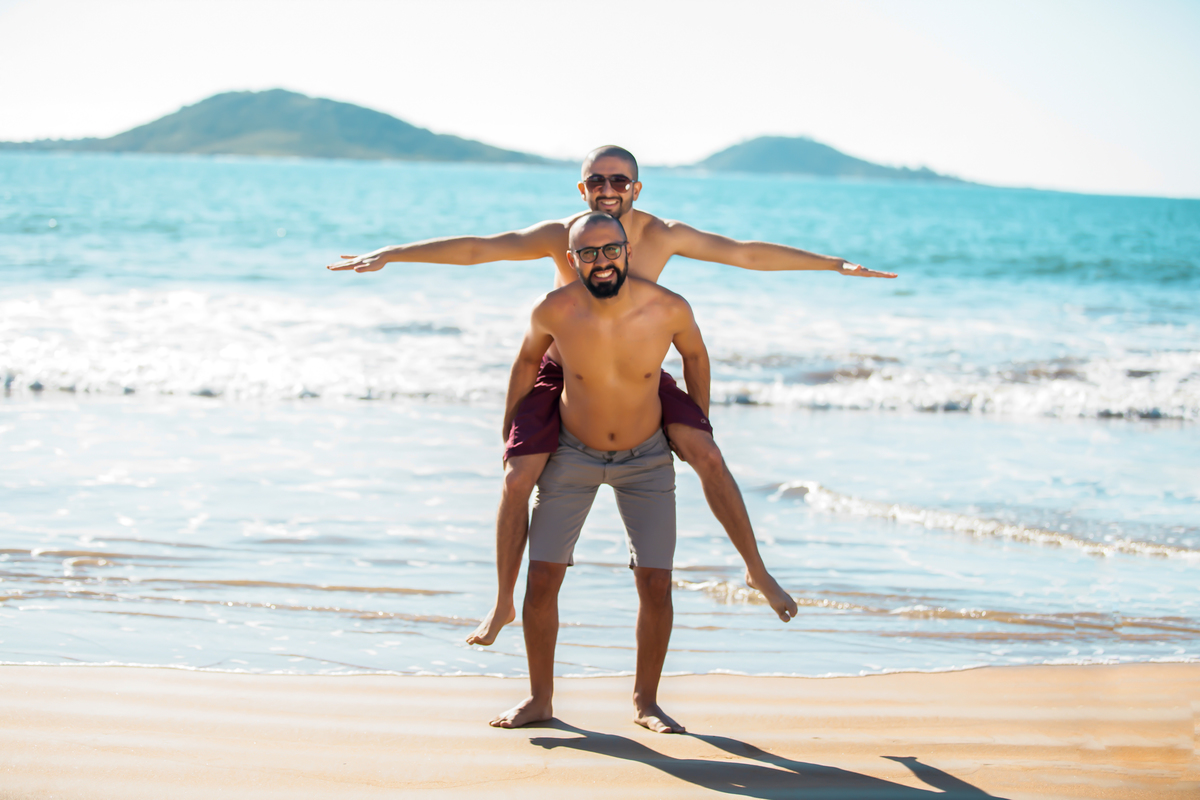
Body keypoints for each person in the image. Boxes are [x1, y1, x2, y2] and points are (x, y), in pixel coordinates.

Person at [328, 145, 897, 646]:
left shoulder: (662, 234)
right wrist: (394, 251)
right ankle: (503, 601)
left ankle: (755, 569)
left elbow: (744, 252)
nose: (607, 190)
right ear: (582, 188)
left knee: (709, 455)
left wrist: (834, 265)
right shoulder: (563, 236)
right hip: (563, 374)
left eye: (618, 181)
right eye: (596, 181)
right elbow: (483, 248)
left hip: (639, 373)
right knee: (517, 479)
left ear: (636, 188)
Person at [492, 212, 705, 732]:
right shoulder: (553, 309)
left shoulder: (668, 306)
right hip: (573, 452)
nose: (601, 260)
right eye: (588, 253)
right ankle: (540, 700)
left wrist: (697, 423)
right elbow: (525, 363)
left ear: (628, 251)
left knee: (656, 584)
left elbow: (695, 355)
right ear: (572, 260)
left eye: (610, 249)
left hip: (646, 457)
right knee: (543, 579)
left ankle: (646, 703)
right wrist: (510, 429)